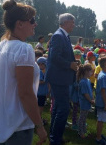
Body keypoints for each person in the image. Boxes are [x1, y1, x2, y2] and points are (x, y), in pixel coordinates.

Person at [0, 0, 47, 144]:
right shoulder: (23, 49)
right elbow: (25, 93)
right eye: (32, 20)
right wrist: (39, 126)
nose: (35, 23)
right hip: (18, 123)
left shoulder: (1, 46)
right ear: (20, 24)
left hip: (4, 120)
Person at [45, 13, 77, 145]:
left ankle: (54, 137)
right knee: (63, 109)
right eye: (72, 22)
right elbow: (54, 56)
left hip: (61, 77)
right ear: (65, 22)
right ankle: (55, 139)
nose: (74, 25)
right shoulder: (58, 36)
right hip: (59, 78)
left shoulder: (63, 35)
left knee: (59, 107)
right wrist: (69, 64)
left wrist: (72, 64)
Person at [95, 57, 106, 145]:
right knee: (101, 120)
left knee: (102, 119)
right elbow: (103, 91)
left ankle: (100, 134)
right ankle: (98, 138)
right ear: (105, 65)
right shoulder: (103, 76)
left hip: (103, 102)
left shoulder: (104, 74)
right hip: (102, 103)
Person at [77, 64, 94, 138]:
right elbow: (85, 94)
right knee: (82, 118)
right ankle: (80, 132)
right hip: (84, 102)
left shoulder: (88, 80)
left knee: (84, 117)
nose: (91, 73)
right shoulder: (83, 82)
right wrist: (90, 100)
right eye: (90, 71)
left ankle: (84, 130)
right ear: (86, 71)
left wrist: (92, 98)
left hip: (88, 102)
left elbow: (90, 91)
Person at [37, 57, 49, 125]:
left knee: (41, 106)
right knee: (40, 107)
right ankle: (39, 120)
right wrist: (45, 81)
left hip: (43, 92)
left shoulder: (44, 71)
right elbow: (39, 81)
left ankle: (39, 118)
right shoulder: (39, 71)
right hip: (40, 93)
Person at [70, 59, 81, 131]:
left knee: (77, 110)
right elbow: (75, 86)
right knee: (75, 110)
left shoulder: (77, 76)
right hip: (75, 96)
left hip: (77, 96)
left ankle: (77, 122)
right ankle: (74, 124)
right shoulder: (74, 76)